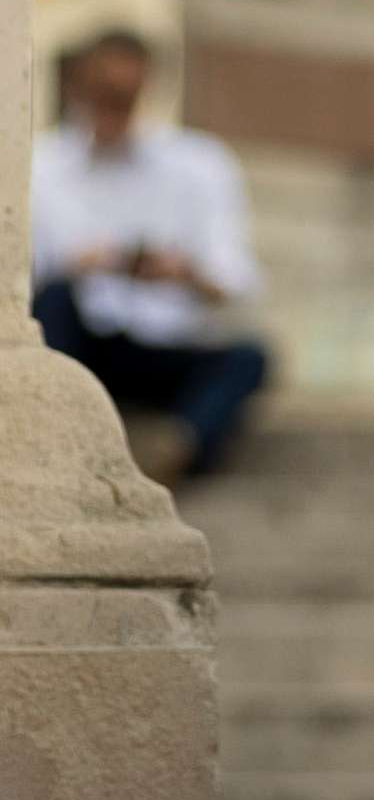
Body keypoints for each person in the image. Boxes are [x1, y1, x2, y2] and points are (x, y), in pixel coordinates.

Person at [29, 29, 272, 480]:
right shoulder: (41, 167)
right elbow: (25, 284)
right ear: (78, 85)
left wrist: (182, 274)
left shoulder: (199, 163)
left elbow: (234, 279)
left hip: (164, 347)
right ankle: (60, 436)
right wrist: (81, 264)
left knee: (249, 359)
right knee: (57, 300)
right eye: (105, 92)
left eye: (125, 93)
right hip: (83, 343)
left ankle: (177, 449)